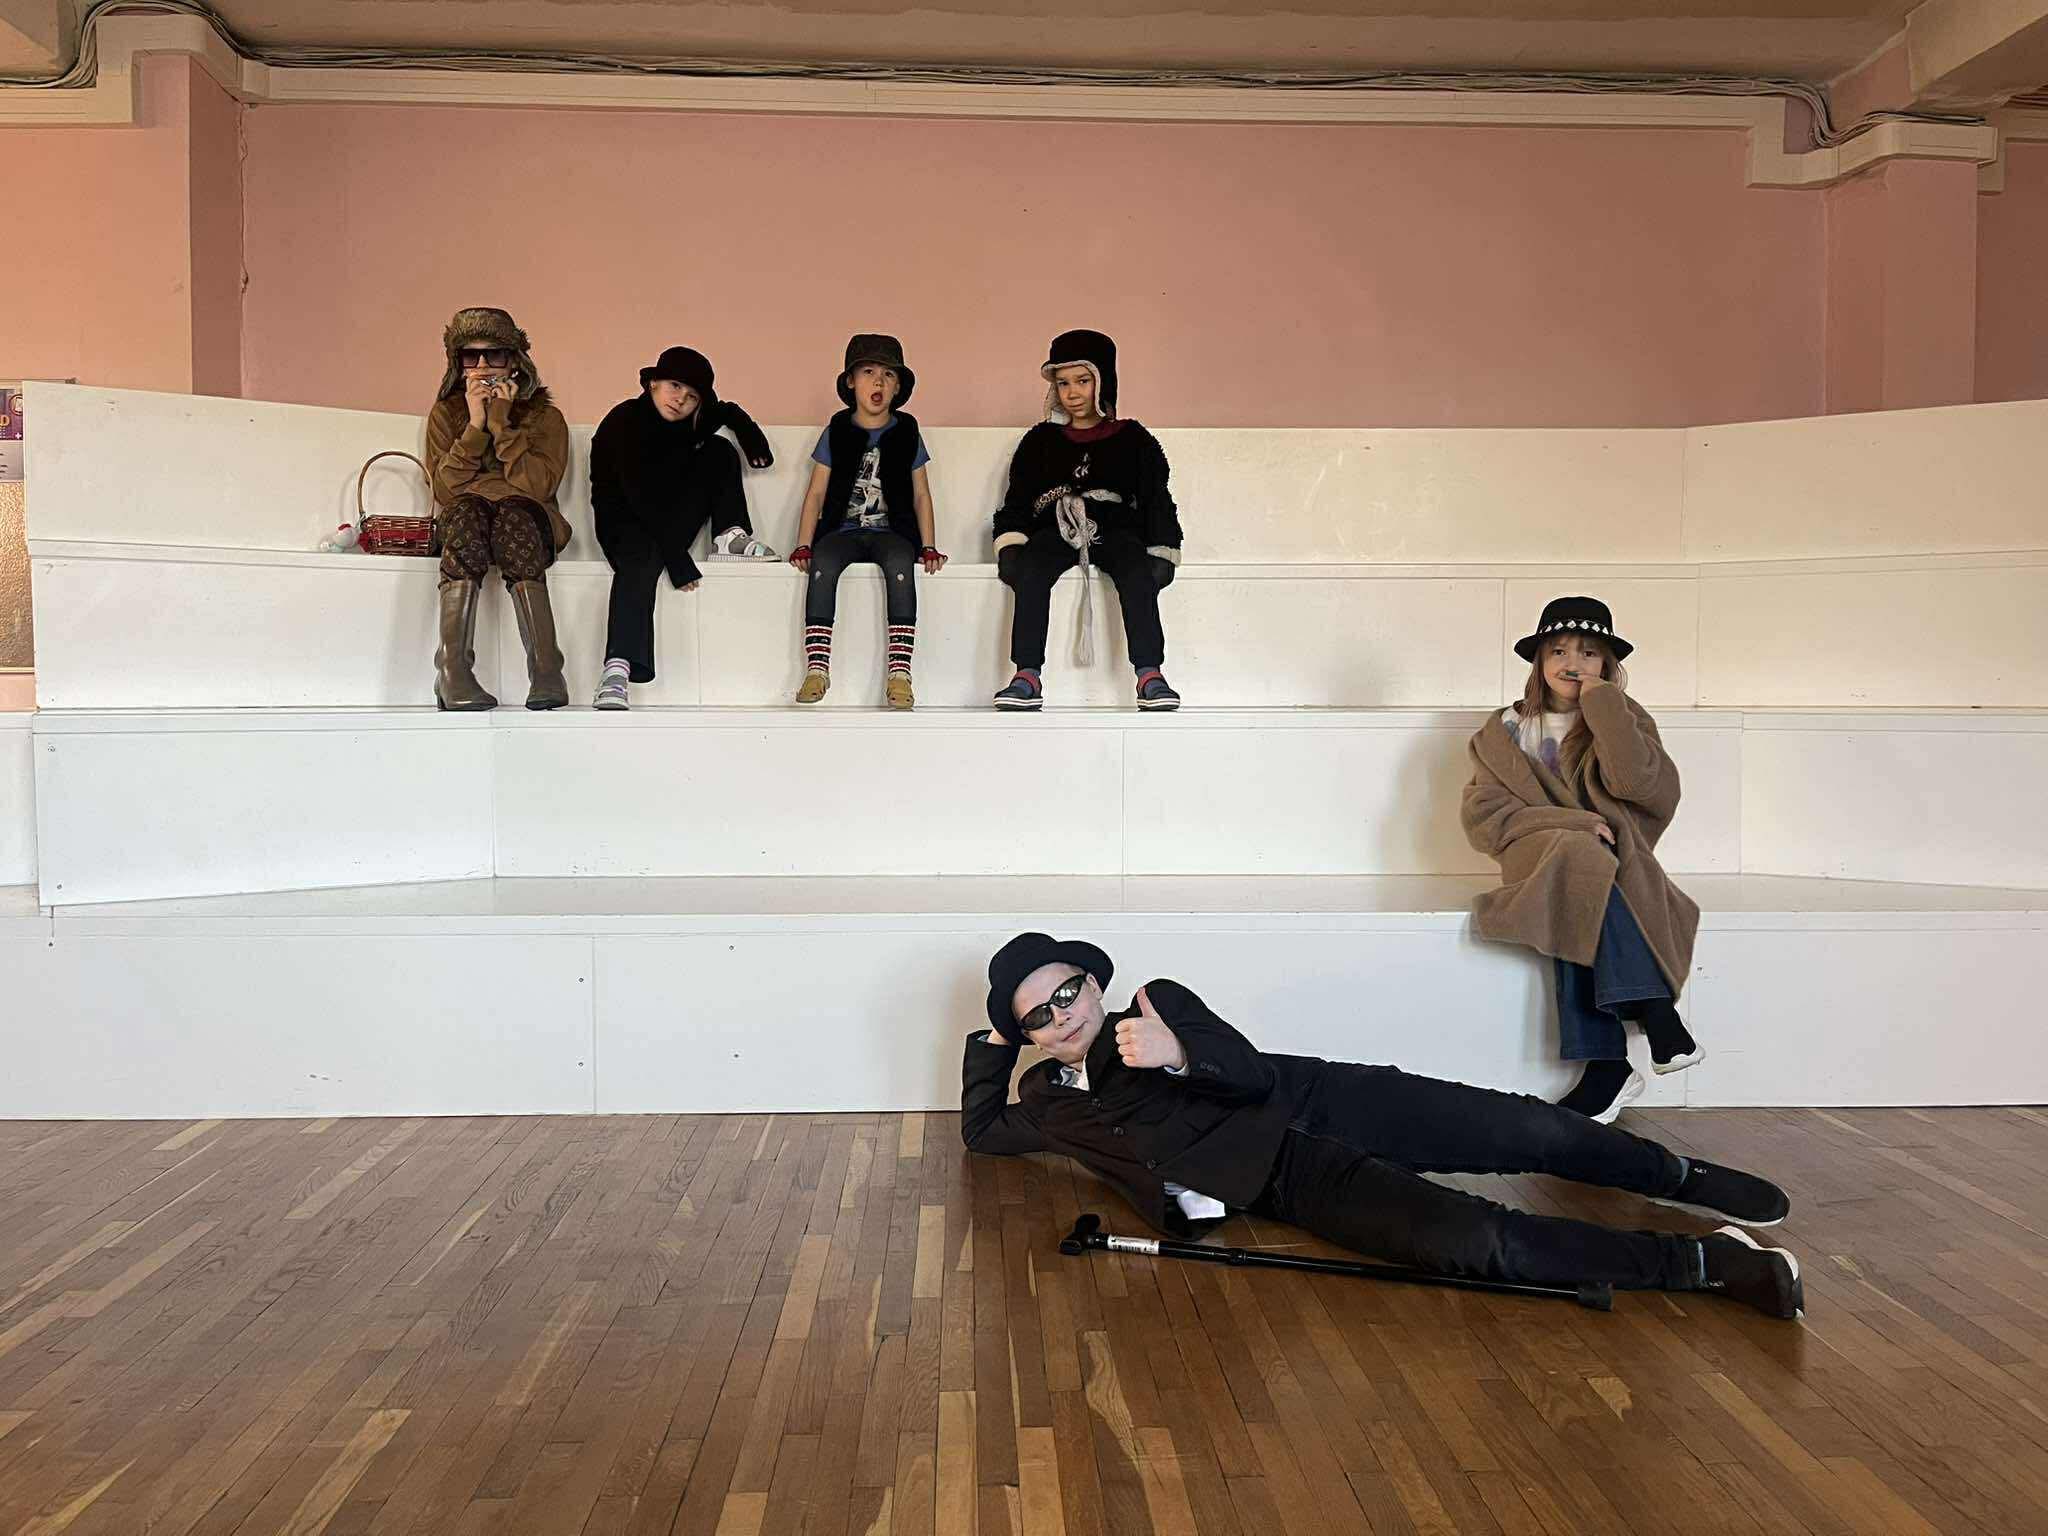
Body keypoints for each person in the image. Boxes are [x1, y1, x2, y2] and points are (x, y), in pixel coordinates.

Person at [962, 932, 1802, 1319]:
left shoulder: (1156, 1006)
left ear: (1093, 983)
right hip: (1289, 1182)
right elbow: (983, 1131)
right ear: (1027, 1034)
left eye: (1067, 990)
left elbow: (1250, 1072)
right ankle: (1705, 1264)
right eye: (1037, 1014)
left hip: (1324, 1098)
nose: (1061, 1014)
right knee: (1477, 1240)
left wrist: (1179, 1051)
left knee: (1527, 1132)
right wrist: (995, 1040)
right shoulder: (1050, 1103)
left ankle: (1676, 1177)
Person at [1463, 597, 1703, 1124]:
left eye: (1589, 653)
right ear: (1540, 660)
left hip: (1609, 858)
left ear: (1607, 665)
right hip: (1533, 847)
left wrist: (1605, 707)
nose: (1572, 663)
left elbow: (1638, 787)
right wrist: (1571, 824)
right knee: (1576, 856)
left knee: (1581, 877)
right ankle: (1655, 1011)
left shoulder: (1623, 717)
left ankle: (1607, 1066)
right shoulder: (1504, 729)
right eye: (1559, 650)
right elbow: (1485, 817)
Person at [990, 330, 1183, 711]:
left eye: (1082, 381)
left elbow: (1155, 496)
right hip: (1057, 525)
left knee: (1134, 568)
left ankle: (1149, 673)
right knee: (1033, 567)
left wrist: (1163, 547)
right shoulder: (1040, 440)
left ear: (1103, 382)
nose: (1072, 393)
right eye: (1063, 383)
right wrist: (1011, 542)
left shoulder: (1133, 437)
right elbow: (1019, 496)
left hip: (1115, 525)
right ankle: (1026, 673)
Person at [588, 346, 777, 710]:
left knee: (719, 449)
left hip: (665, 516)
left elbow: (727, 411)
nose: (680, 400)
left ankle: (729, 535)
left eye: (692, 396)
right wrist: (676, 559)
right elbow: (637, 496)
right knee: (641, 560)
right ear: (653, 384)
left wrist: (751, 439)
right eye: (675, 386)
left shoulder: (689, 422)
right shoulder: (625, 420)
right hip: (623, 519)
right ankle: (616, 672)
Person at [424, 306, 571, 711]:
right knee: (464, 513)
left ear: (515, 361)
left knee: (514, 515)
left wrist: (503, 426)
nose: (483, 366)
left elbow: (539, 486)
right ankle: (453, 672)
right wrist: (475, 426)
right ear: (458, 364)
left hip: (527, 516)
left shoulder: (545, 417)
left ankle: (546, 670)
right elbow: (445, 489)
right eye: (470, 356)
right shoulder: (445, 414)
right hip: (468, 516)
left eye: (495, 354)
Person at [787, 335, 946, 710]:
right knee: (822, 565)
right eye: (868, 372)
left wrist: (928, 545)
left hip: (892, 533)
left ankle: (900, 672)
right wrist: (803, 543)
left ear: (898, 387)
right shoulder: (837, 430)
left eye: (889, 375)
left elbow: (921, 494)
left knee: (900, 567)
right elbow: (816, 493)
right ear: (850, 381)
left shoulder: (907, 431)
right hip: (841, 531)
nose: (878, 382)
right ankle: (817, 667)